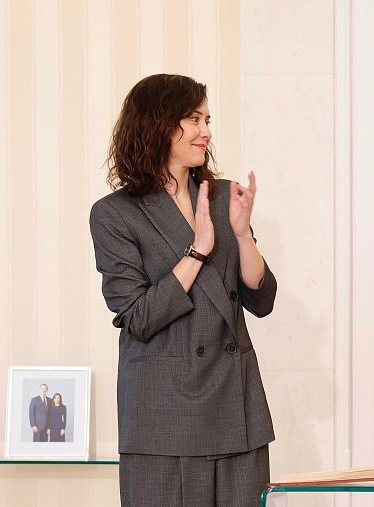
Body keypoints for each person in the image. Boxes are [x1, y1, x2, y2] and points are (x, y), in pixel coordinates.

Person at [90, 74, 277, 507]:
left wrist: (244, 234)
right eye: (193, 119)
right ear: (157, 124)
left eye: (207, 119)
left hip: (236, 406)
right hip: (163, 415)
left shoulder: (223, 196)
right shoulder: (114, 214)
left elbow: (261, 301)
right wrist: (197, 252)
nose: (206, 131)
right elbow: (138, 317)